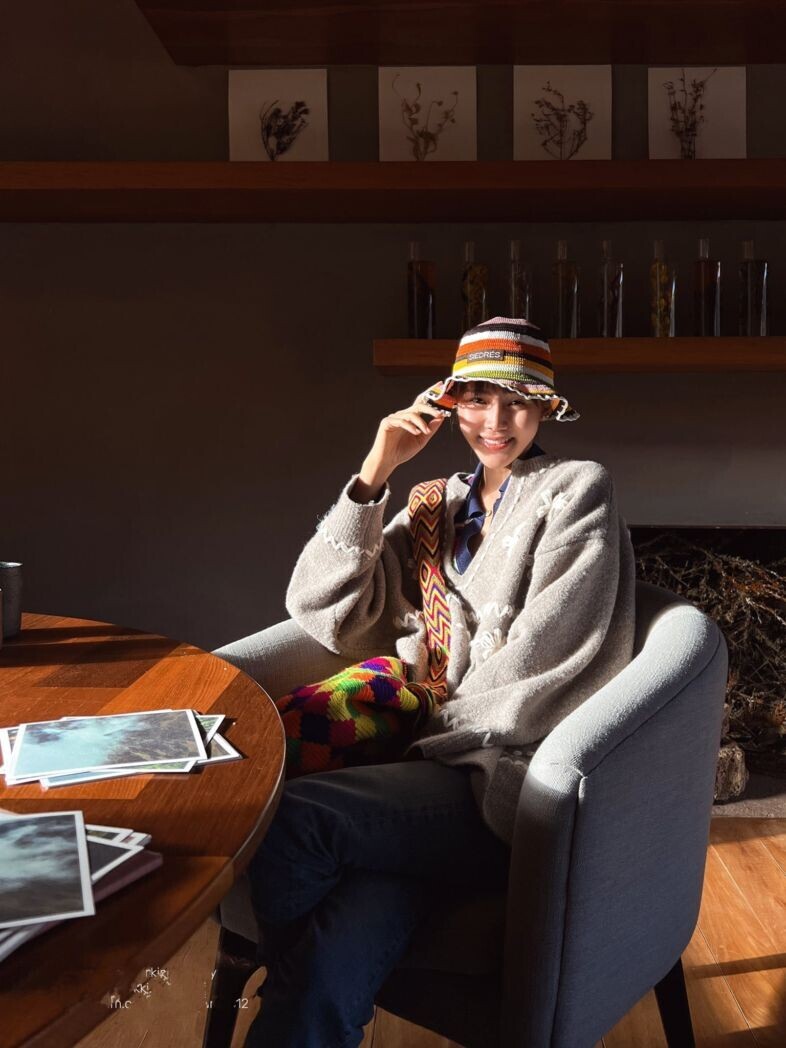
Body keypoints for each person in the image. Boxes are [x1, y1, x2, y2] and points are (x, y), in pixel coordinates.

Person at [215, 315, 637, 1048]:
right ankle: (302, 977)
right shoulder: (433, 505)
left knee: (295, 818)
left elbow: (549, 656)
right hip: (417, 790)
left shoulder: (576, 490)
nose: (496, 421)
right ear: (448, 404)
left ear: (544, 409)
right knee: (321, 983)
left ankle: (273, 960)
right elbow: (327, 611)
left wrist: (415, 742)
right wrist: (375, 472)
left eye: (518, 402)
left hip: (500, 778)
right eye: (476, 399)